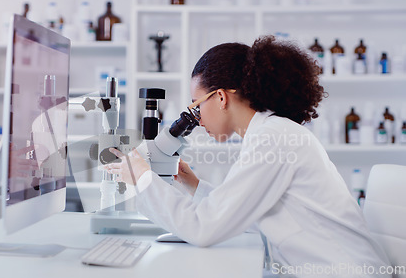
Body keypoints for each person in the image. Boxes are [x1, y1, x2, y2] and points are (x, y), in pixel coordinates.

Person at [105, 36, 391, 277]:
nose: (198, 118)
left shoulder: (273, 139)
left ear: (220, 97)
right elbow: (251, 215)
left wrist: (141, 176)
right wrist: (195, 185)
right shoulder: (270, 132)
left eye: (197, 106)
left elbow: (204, 228)